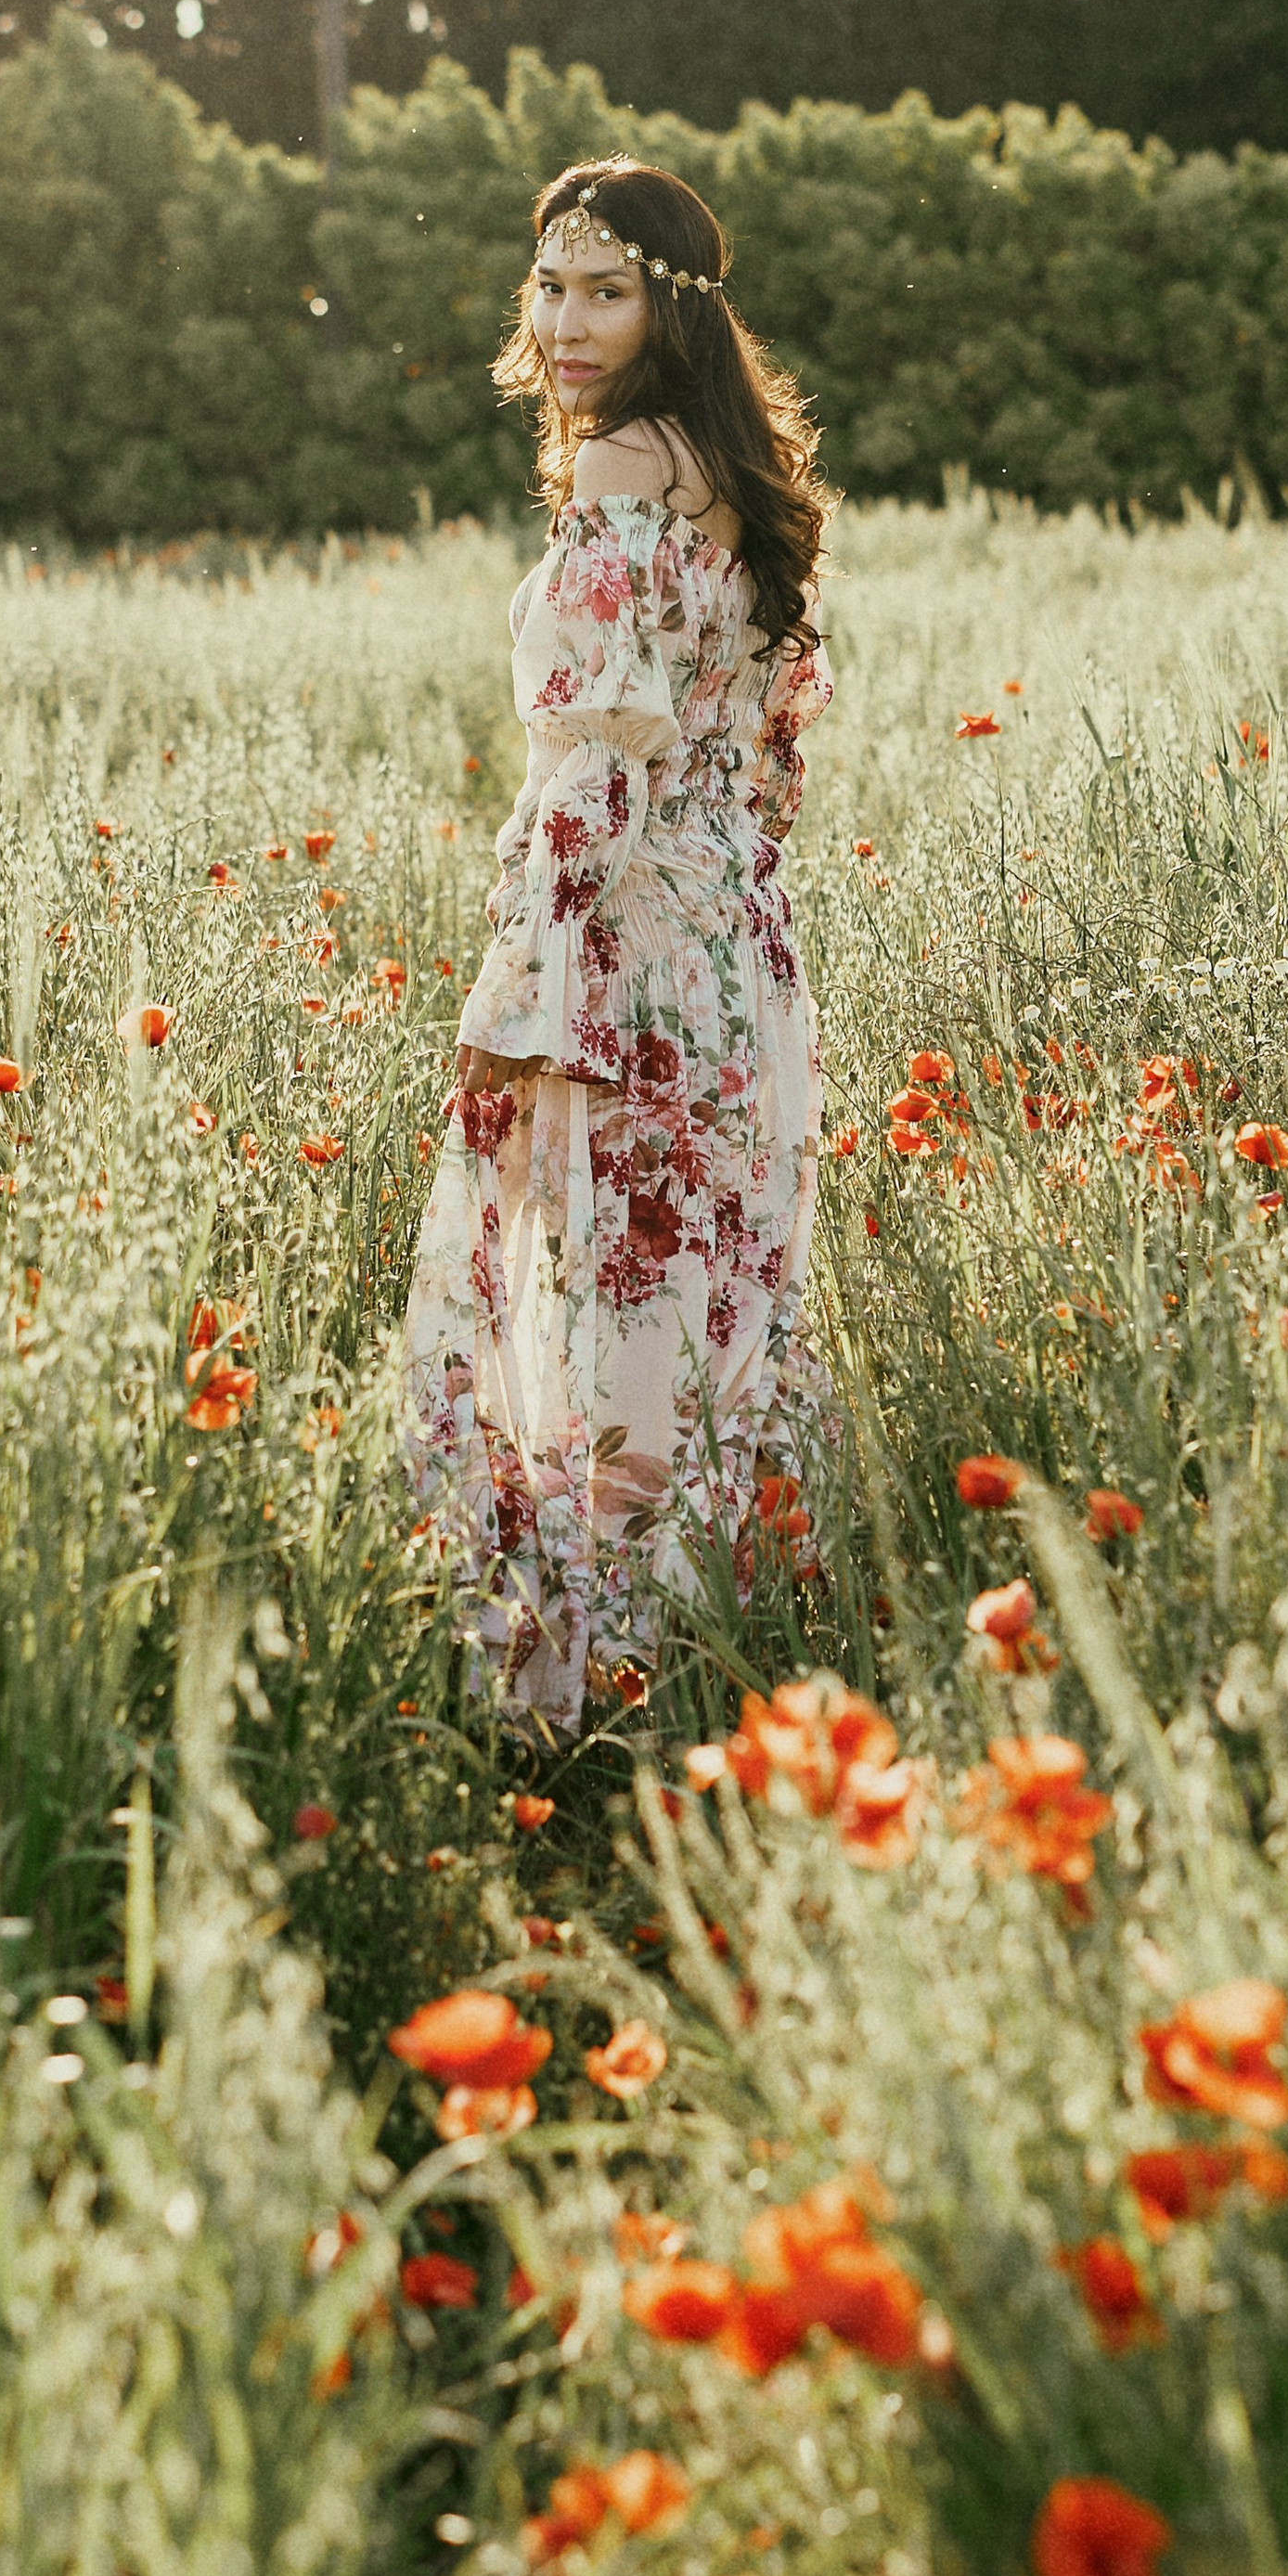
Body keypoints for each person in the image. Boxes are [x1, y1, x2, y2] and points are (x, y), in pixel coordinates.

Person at [402, 157, 837, 1733]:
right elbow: (775, 749)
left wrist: (520, 984)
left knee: (606, 1322)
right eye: (552, 285)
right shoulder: (739, 474)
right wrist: (719, 909)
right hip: (741, 962)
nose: (571, 321)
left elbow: (593, 766)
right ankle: (723, 1679)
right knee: (715, 1314)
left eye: (608, 288)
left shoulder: (620, 475)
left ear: (673, 305)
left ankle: (581, 1705)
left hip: (624, 967)